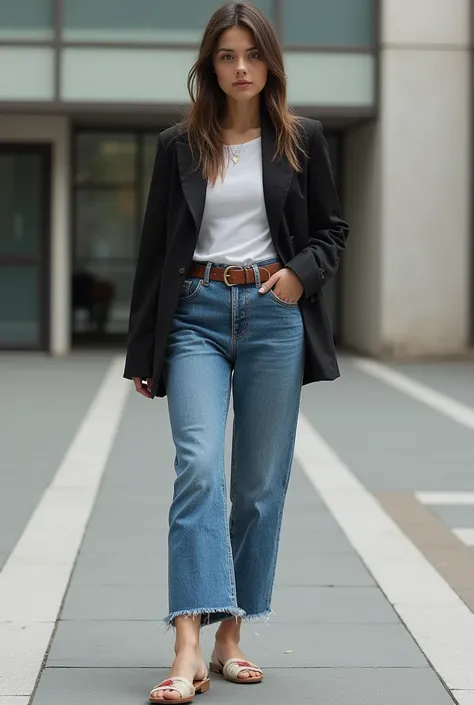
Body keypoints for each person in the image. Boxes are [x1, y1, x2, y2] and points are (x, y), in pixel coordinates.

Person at [124, 2, 349, 701]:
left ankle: (231, 636)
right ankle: (187, 641)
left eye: (252, 55)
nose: (241, 67)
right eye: (227, 55)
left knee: (257, 487)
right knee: (197, 467)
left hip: (272, 316)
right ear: (209, 65)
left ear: (270, 63)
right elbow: (156, 249)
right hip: (194, 314)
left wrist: (296, 278)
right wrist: (142, 350)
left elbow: (332, 232)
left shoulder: (302, 138)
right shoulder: (179, 145)